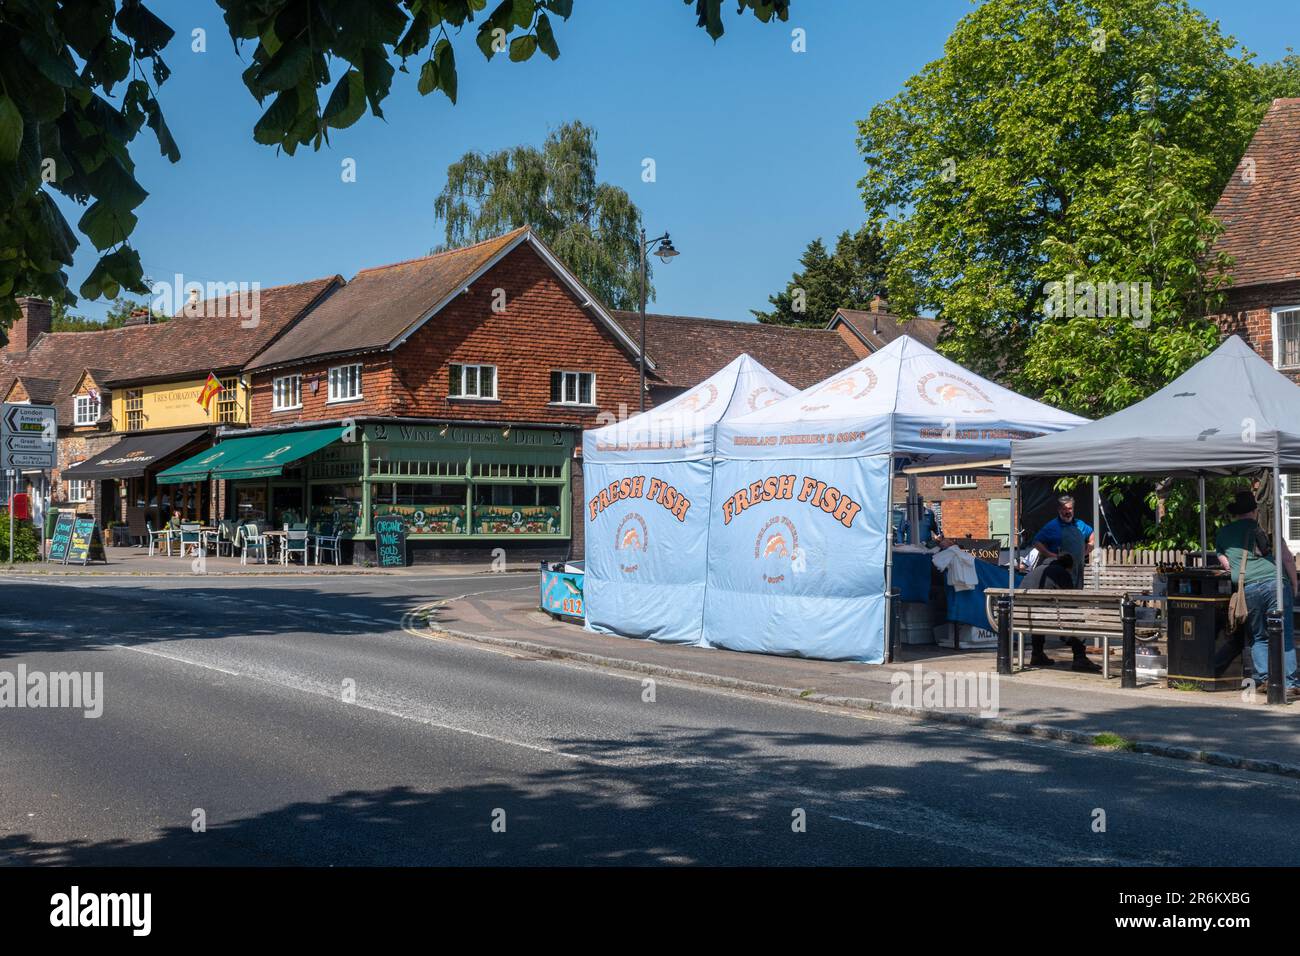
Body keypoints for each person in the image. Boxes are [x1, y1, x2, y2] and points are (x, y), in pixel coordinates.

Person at [1215, 490, 1300, 701]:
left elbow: (1226, 565)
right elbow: (1287, 559)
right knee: (1285, 634)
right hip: (1275, 584)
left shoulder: (1224, 534)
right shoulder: (1267, 530)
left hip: (1248, 587)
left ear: (1234, 513)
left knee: (1259, 636)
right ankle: (1290, 684)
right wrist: (1295, 584)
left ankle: (1264, 679)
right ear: (1255, 510)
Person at [1021, 554, 1101, 672]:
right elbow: (1069, 599)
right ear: (1068, 567)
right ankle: (1080, 658)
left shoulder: (1036, 571)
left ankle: (1037, 654)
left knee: (1037, 614)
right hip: (1046, 617)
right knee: (1076, 618)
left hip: (1024, 617)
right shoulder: (1061, 572)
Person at [1032, 494, 1094, 588]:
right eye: (1064, 509)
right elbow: (1036, 542)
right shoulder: (1052, 526)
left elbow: (1093, 535)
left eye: (1069, 508)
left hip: (1078, 572)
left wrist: (1087, 549)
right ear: (1059, 510)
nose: (1067, 512)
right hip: (1058, 571)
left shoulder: (1080, 525)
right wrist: (1051, 555)